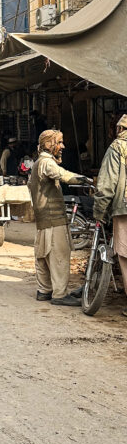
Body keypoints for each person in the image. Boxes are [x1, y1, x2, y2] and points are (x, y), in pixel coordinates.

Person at [29, 130, 88, 306]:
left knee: (44, 257)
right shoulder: (46, 162)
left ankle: (44, 290)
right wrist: (84, 180)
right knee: (59, 257)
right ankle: (60, 294)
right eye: (59, 142)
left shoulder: (38, 163)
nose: (62, 146)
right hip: (53, 220)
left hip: (44, 221)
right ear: (48, 144)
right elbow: (63, 175)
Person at [93, 113, 127, 317]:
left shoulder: (118, 147)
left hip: (124, 208)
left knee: (124, 254)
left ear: (120, 129)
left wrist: (99, 212)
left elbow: (106, 186)